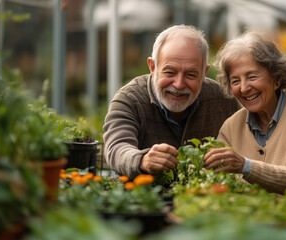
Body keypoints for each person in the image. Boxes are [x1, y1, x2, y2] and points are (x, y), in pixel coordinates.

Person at [103, 25, 241, 178]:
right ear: (153, 67)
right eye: (170, 72)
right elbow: (116, 149)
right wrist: (142, 160)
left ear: (204, 73)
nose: (179, 84)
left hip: (206, 197)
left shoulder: (222, 99)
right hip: (145, 196)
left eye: (190, 75)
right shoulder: (129, 99)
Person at [203, 31, 286, 194]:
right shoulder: (231, 127)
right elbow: (213, 177)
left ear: (276, 78)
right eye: (235, 81)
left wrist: (244, 166)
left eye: (252, 77)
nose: (244, 88)